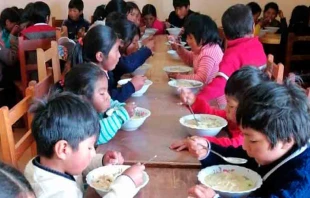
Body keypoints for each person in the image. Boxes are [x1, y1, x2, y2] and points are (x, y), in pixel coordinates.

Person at [186, 81, 310, 197]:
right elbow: (238, 158)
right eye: (244, 135)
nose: (244, 146)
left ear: (286, 141)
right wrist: (207, 150)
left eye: (252, 140)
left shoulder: (301, 182)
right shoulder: (270, 151)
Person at [24, 92, 146, 198]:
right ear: (63, 149)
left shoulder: (47, 163)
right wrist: (126, 183)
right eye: (89, 147)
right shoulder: (58, 193)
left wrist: (101, 161)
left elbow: (76, 165)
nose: (93, 152)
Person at [180, 4, 266, 110]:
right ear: (253, 27)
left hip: (244, 111)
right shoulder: (258, 46)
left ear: (224, 34)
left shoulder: (233, 54)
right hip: (261, 106)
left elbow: (220, 85)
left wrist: (195, 100)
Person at [170, 66, 270, 150]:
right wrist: (194, 102)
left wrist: (204, 142)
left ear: (251, 108)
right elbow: (215, 115)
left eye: (231, 106)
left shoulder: (252, 133)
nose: (226, 109)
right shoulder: (236, 120)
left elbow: (233, 145)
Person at [70, 25, 145, 102]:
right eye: (116, 50)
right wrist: (131, 87)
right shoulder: (91, 81)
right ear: (100, 56)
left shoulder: (105, 71)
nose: (119, 55)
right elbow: (107, 102)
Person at [64, 63, 135, 144]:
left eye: (107, 91)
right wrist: (121, 116)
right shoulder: (74, 119)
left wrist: (122, 107)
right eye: (102, 93)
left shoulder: (93, 105)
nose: (108, 97)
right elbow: (96, 135)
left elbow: (111, 104)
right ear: (83, 99)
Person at [170, 13, 224, 108]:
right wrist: (179, 48)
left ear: (203, 39)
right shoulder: (201, 48)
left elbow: (200, 79)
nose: (187, 40)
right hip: (205, 97)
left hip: (215, 104)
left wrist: (179, 77)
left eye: (190, 37)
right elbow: (191, 60)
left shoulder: (209, 53)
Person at [107, 19, 153, 84]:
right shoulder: (111, 55)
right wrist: (146, 50)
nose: (137, 46)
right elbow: (127, 65)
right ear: (122, 42)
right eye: (134, 42)